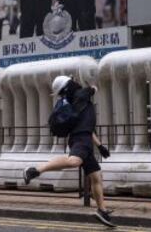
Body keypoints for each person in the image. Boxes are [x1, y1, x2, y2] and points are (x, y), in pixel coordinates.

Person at [23, 76, 115, 227]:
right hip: (81, 140)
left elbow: (87, 127)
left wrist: (99, 146)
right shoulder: (80, 94)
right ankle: (35, 170)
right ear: (69, 85)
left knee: (96, 176)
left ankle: (102, 210)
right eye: (72, 81)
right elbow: (94, 87)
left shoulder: (76, 102)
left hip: (83, 138)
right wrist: (92, 84)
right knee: (74, 161)